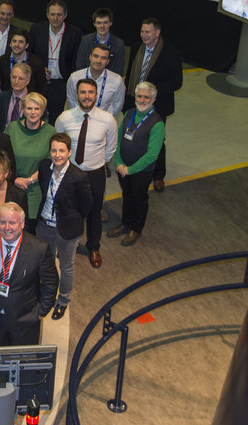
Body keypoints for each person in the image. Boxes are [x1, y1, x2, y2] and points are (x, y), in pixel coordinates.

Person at [0, 202, 59, 346]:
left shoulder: (39, 249)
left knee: (23, 361)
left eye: (12, 223)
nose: (7, 227)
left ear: (22, 224)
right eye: (3, 222)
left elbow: (50, 283)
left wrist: (40, 312)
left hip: (25, 321)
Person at [54, 79, 117, 269]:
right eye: (83, 92)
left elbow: (110, 149)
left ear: (96, 95)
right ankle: (65, 245)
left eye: (91, 92)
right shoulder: (64, 118)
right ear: (76, 94)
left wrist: (94, 164)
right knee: (68, 210)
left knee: (94, 212)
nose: (87, 96)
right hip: (71, 174)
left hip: (95, 175)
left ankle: (93, 247)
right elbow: (57, 143)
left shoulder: (108, 120)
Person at [33, 133, 92, 320]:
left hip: (67, 229)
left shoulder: (78, 176)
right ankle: (46, 295)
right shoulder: (44, 167)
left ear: (69, 152)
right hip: (44, 225)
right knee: (45, 263)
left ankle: (63, 300)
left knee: (67, 266)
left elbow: (87, 205)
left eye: (62, 150)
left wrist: (71, 219)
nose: (57, 154)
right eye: (54, 150)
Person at [123, 18, 182, 192]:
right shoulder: (136, 48)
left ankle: (158, 175)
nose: (144, 35)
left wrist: (150, 93)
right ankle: (133, 164)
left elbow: (177, 82)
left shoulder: (171, 53)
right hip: (134, 101)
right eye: (142, 31)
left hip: (157, 105)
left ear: (157, 33)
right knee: (132, 135)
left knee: (156, 140)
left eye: (147, 32)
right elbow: (130, 73)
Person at [108, 82, 165, 246]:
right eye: (139, 96)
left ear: (153, 99)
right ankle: (125, 224)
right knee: (127, 196)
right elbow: (118, 140)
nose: (142, 100)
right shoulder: (130, 113)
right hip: (122, 168)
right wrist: (118, 162)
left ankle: (136, 228)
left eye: (146, 97)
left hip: (141, 171)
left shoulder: (157, 124)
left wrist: (130, 169)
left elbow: (152, 154)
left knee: (139, 199)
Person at [28, 0, 82, 123]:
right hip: (39, 80)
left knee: (55, 118)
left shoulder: (74, 33)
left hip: (60, 83)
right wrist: (39, 70)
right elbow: (30, 55)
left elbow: (75, 60)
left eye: (59, 15)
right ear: (47, 15)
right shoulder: (37, 29)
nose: (55, 18)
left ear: (65, 15)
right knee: (35, 114)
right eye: (52, 14)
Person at [8, 92, 55, 222]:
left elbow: (51, 164)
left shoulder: (51, 132)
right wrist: (14, 179)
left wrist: (29, 180)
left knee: (31, 230)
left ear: (43, 110)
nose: (33, 112)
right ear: (23, 110)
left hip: (36, 189)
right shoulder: (12, 128)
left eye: (37, 108)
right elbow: (3, 159)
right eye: (29, 108)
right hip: (13, 186)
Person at [66, 44, 126, 116]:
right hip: (79, 120)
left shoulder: (117, 81)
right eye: (96, 56)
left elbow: (117, 106)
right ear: (90, 57)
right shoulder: (74, 77)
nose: (99, 61)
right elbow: (72, 101)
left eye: (103, 58)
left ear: (108, 61)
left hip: (103, 123)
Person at [75, 8, 126, 76]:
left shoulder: (119, 44)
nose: (102, 26)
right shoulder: (86, 41)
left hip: (109, 82)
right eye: (99, 23)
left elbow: (118, 70)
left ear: (110, 23)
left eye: (105, 22)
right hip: (87, 81)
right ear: (94, 24)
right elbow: (80, 66)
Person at [0, 29, 46, 94]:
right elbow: (2, 83)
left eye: (21, 42)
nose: (17, 45)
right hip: (9, 100)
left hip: (28, 101)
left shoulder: (37, 63)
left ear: (26, 45)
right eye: (14, 41)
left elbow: (41, 87)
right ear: (10, 44)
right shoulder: (3, 60)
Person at [0, 63, 33, 130]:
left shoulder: (35, 100)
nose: (16, 81)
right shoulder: (2, 97)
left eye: (20, 79)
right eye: (14, 77)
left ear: (28, 81)